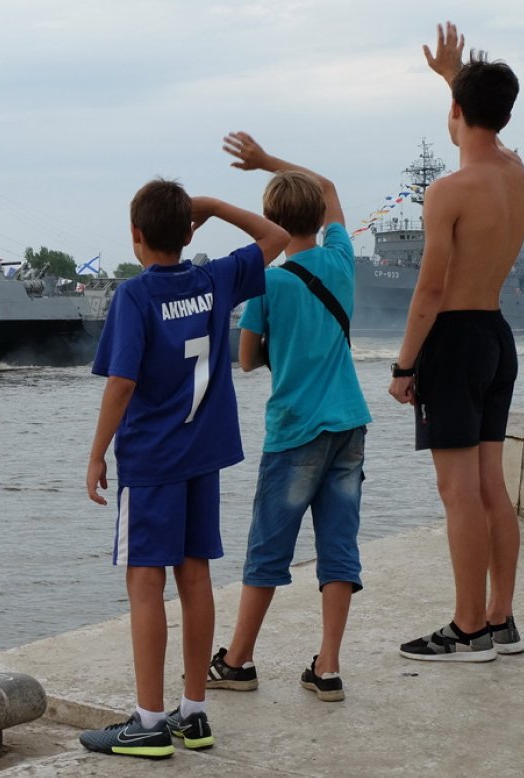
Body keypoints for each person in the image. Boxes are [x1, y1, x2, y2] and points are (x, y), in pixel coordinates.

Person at [78, 178, 288, 758]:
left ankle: (147, 721)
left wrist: (97, 453)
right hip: (205, 456)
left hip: (152, 461)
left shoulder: (134, 297)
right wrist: (216, 208)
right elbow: (276, 235)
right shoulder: (214, 278)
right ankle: (193, 714)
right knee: (195, 578)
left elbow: (121, 383)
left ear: (137, 236)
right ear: (187, 230)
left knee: (145, 582)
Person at [207, 134, 372, 703]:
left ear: (272, 219)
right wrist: (269, 161)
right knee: (339, 547)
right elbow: (327, 186)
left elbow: (248, 359)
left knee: (268, 550)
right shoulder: (342, 259)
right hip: (350, 422)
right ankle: (327, 668)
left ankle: (238, 661)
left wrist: (278, 344)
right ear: (320, 217)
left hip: (296, 429)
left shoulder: (267, 282)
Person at [389, 22, 524, 661]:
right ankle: (500, 619)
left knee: (458, 492)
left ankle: (467, 628)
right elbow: (481, 126)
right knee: (492, 485)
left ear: (456, 111)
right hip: (499, 337)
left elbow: (430, 291)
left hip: (454, 339)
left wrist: (403, 364)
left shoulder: (447, 191)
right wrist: (456, 80)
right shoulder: (514, 170)